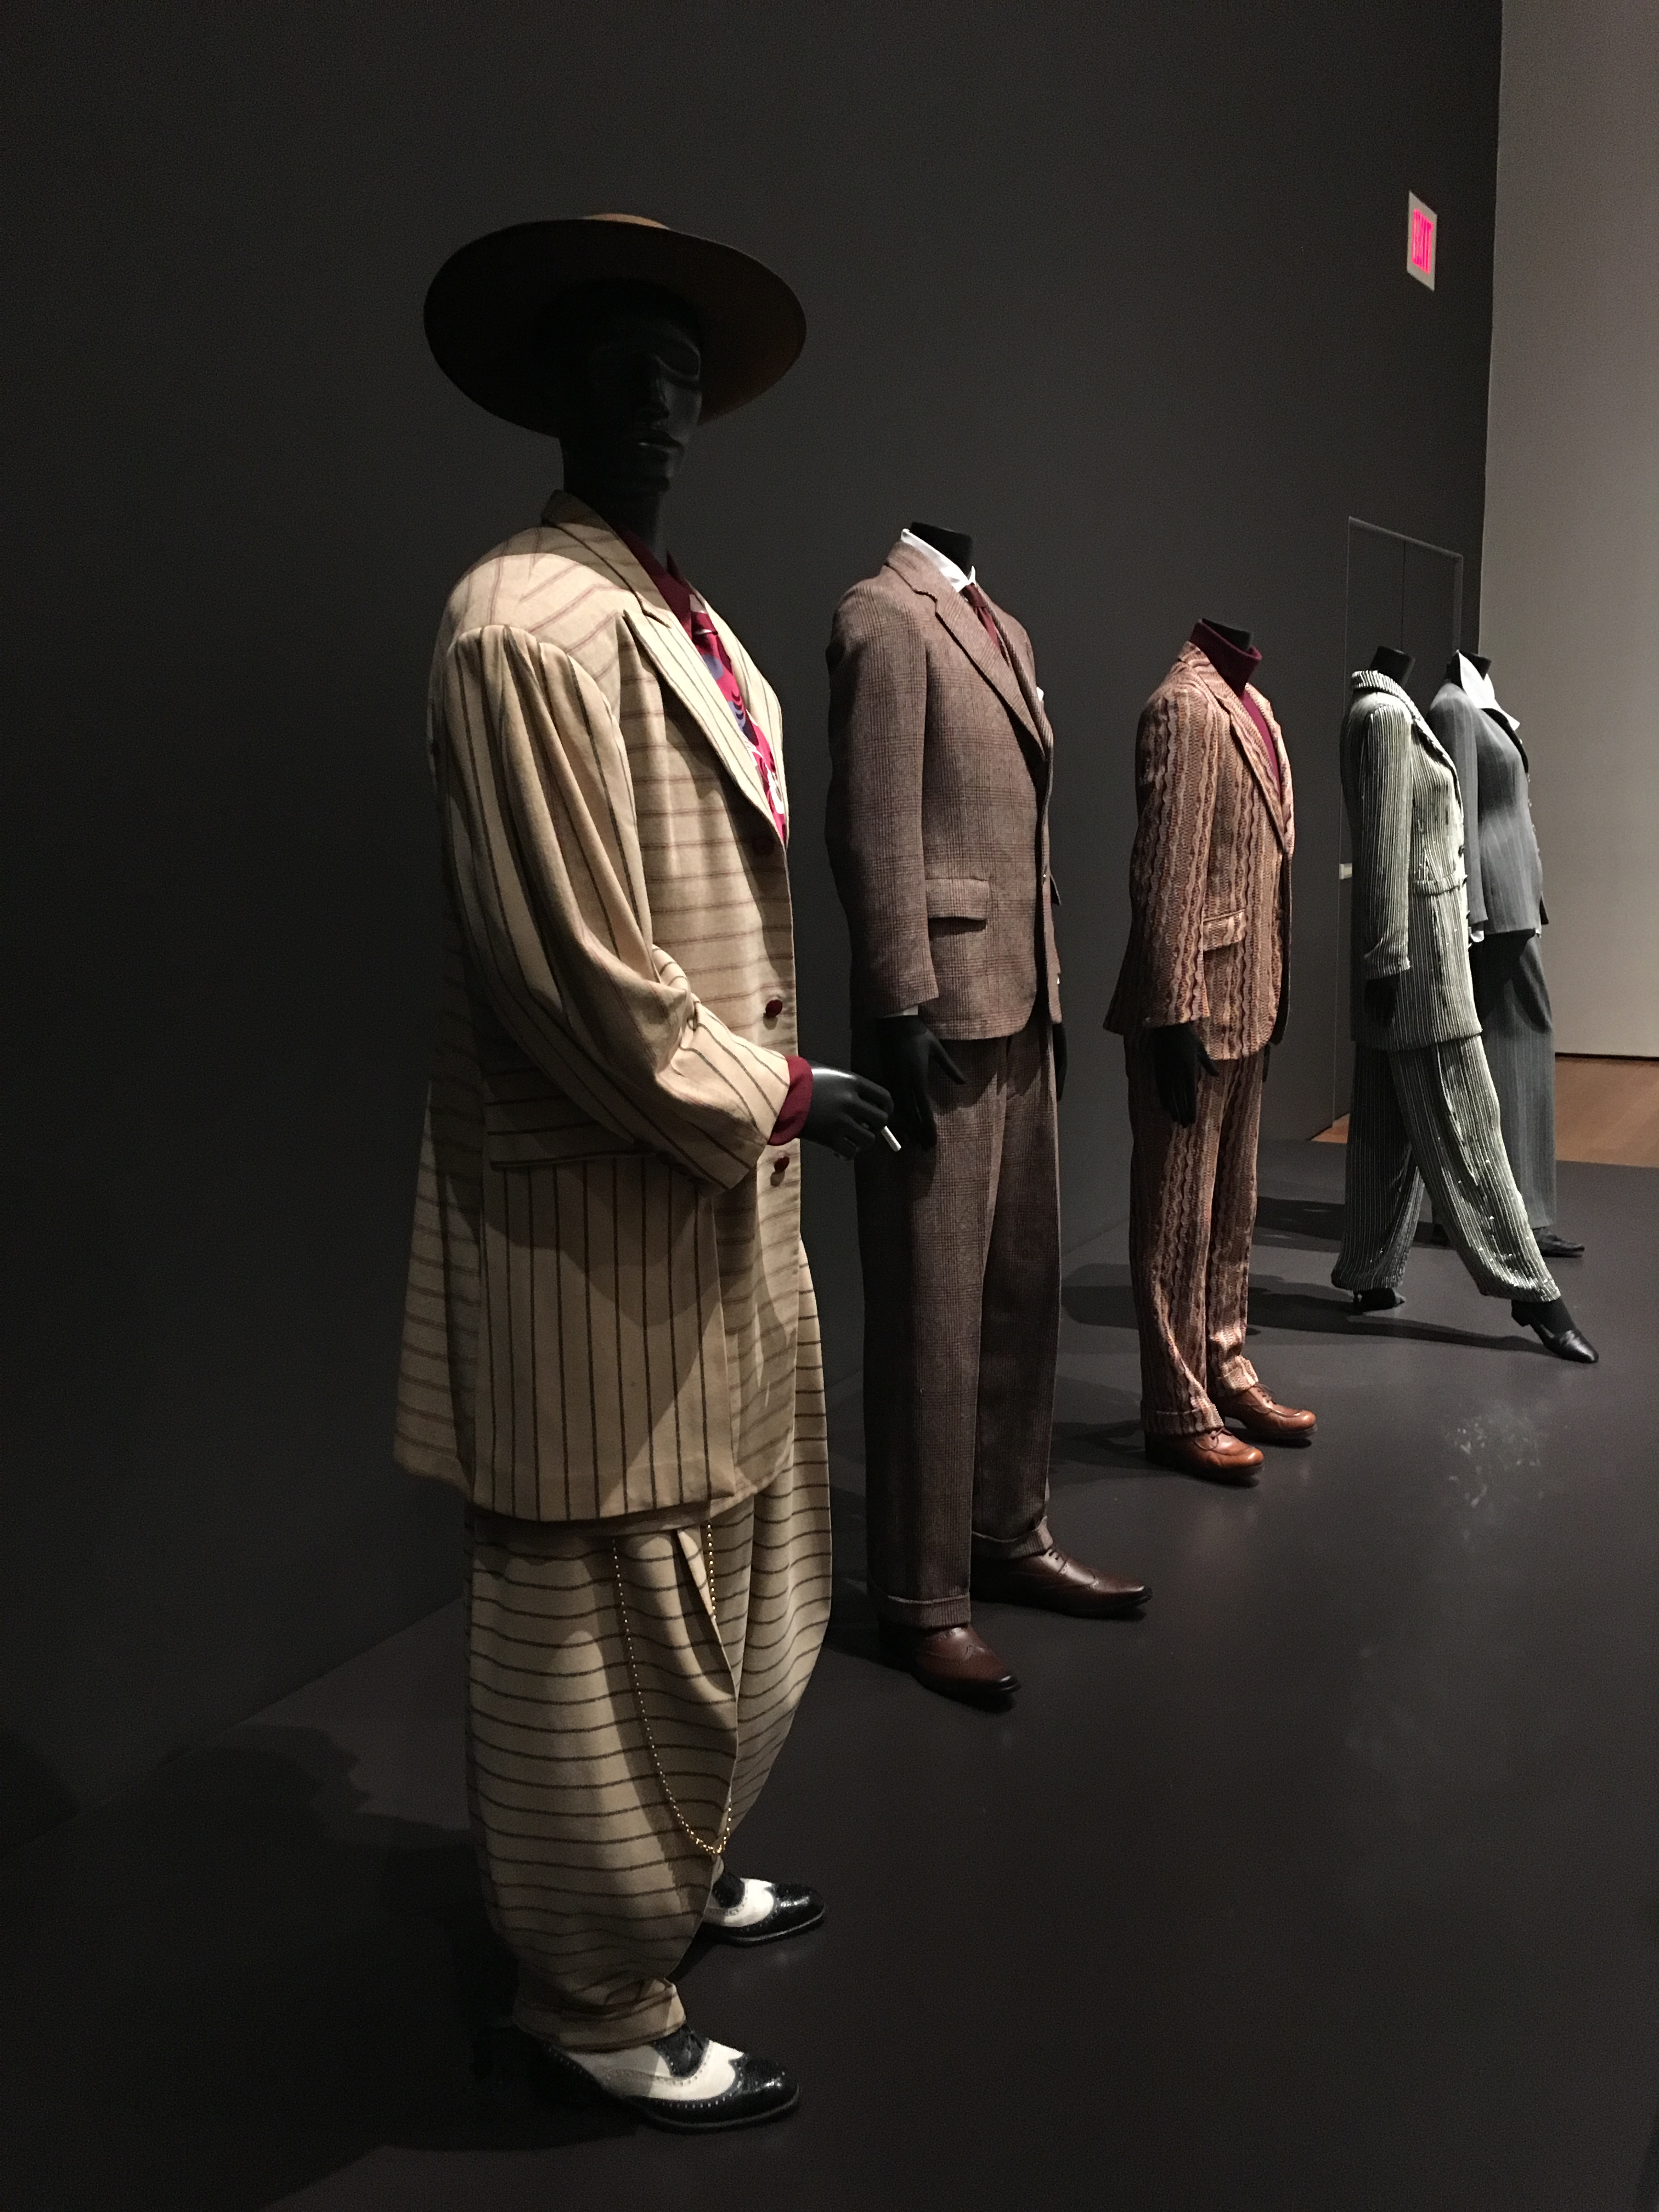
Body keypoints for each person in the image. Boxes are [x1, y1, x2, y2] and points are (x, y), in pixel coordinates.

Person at [397, 213, 893, 2131]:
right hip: (598, 1215)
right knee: (600, 1612)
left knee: (744, 1560)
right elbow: (573, 976)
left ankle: (671, 1875)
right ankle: (590, 1995)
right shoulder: (518, 626)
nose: (662, 404)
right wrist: (773, 1093)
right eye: (622, 368)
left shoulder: (687, 621)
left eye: (682, 370)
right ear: (554, 392)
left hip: (710, 1202)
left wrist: (763, 1104)